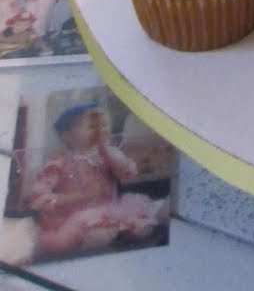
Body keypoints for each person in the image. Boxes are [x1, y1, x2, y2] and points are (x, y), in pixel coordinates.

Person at [24, 103, 166, 260]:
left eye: (104, 125)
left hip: (108, 211)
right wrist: (81, 195)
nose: (101, 130)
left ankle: (126, 233)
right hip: (72, 219)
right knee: (76, 240)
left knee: (143, 222)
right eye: (93, 127)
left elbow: (127, 174)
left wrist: (108, 152)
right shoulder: (60, 163)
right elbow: (38, 199)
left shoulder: (107, 155)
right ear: (67, 136)